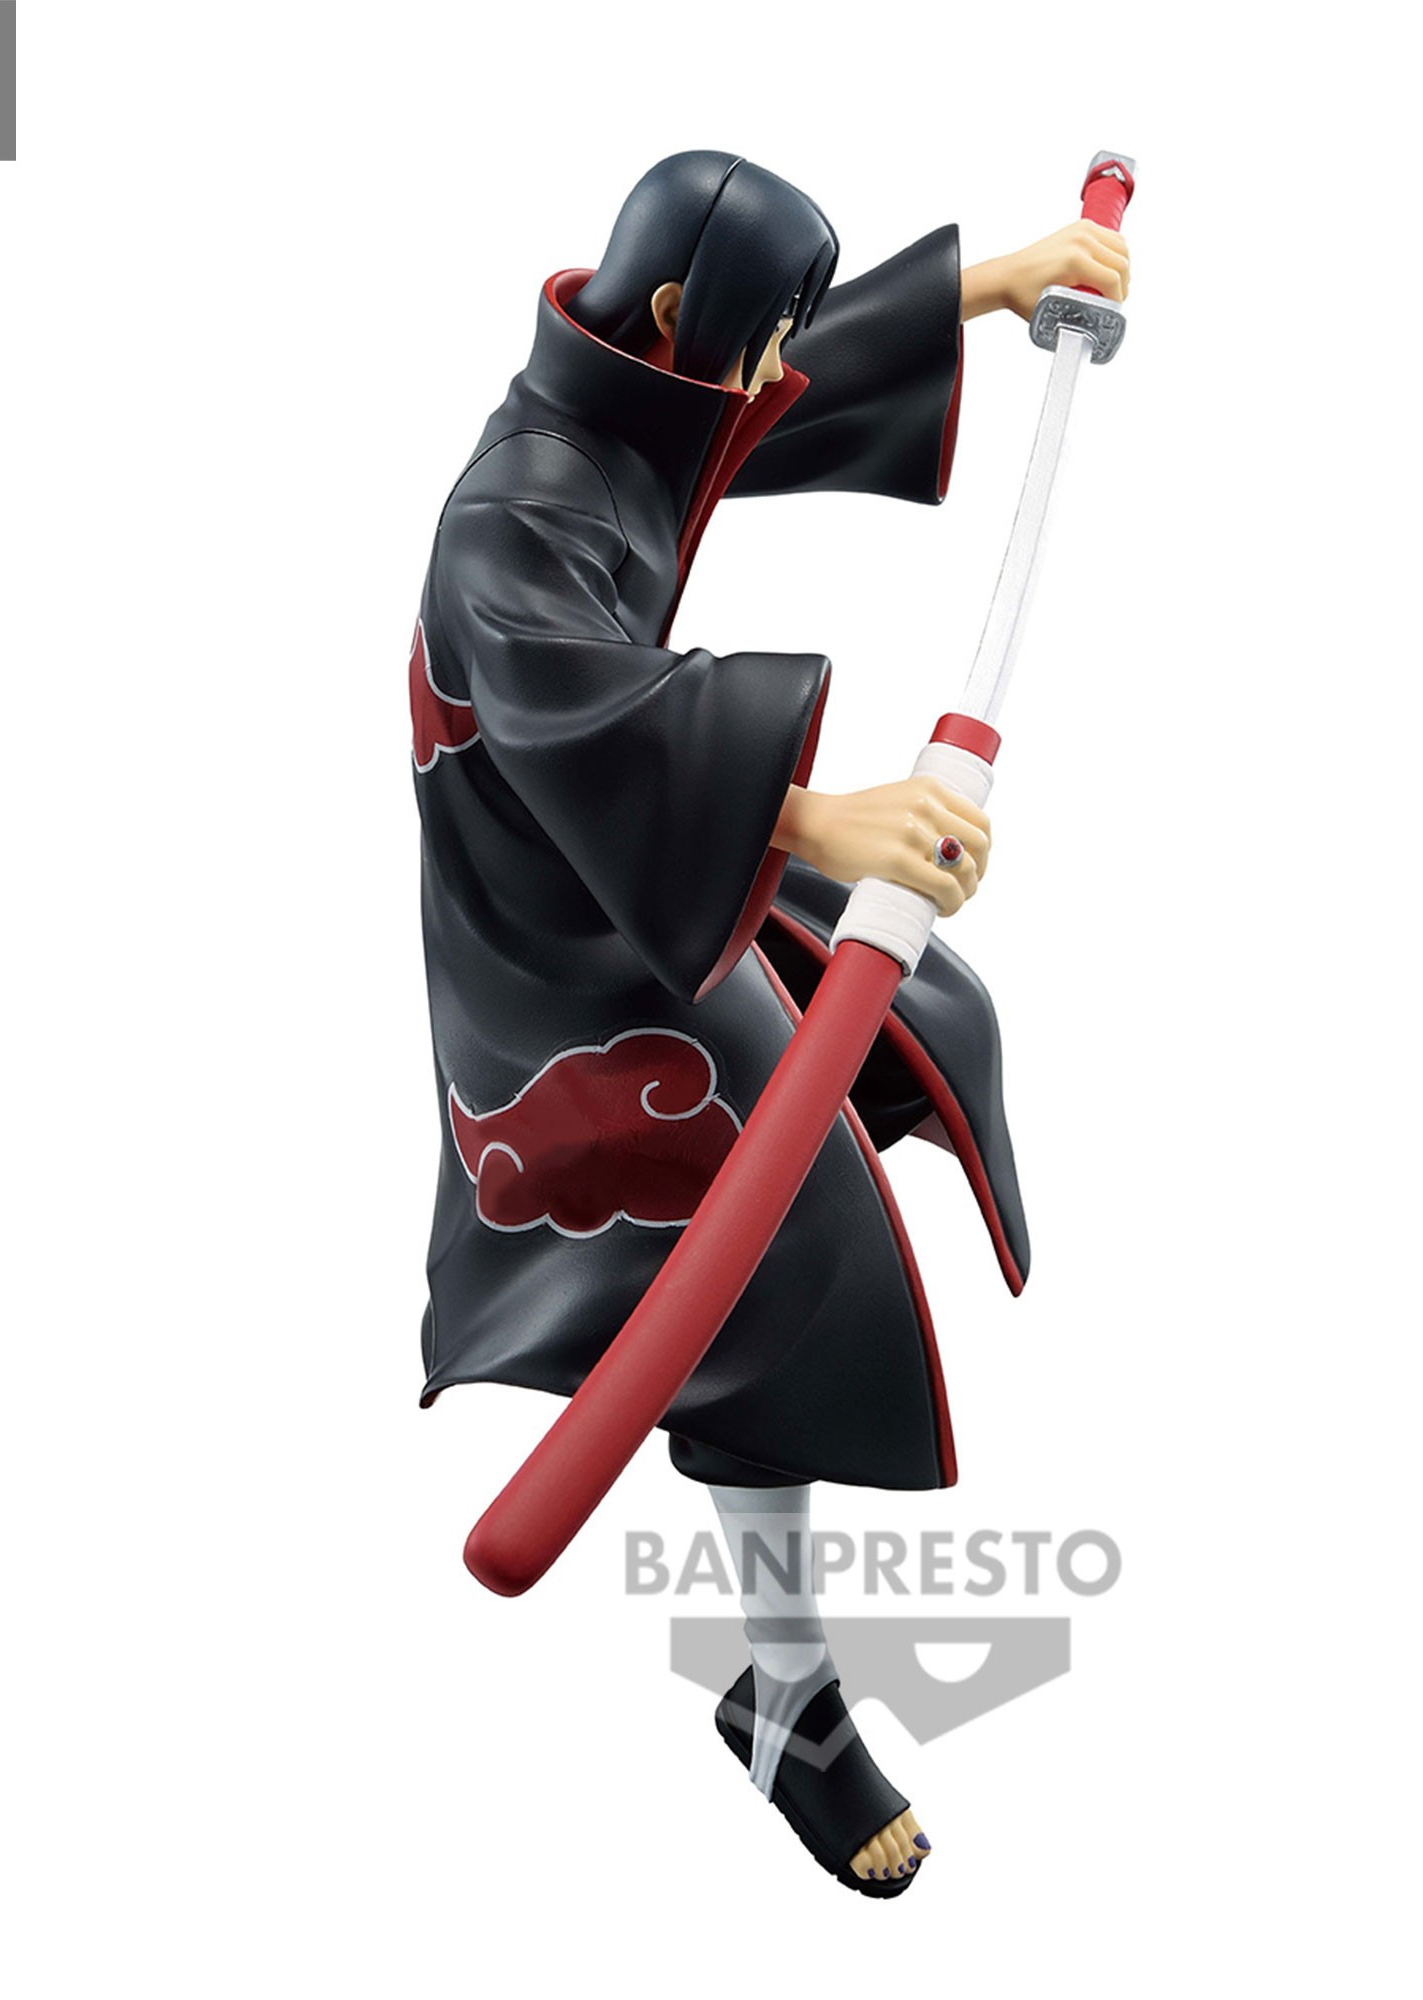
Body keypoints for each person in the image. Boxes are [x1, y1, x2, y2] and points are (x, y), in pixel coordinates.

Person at [406, 151, 1128, 1895]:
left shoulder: (634, 399)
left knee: (917, 1028)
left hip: (650, 868)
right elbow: (585, 718)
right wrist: (819, 820)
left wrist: (998, 279)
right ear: (678, 315)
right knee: (788, 1256)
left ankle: (776, 1631)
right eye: (750, 340)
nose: (765, 380)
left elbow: (771, 400)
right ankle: (788, 1698)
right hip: (564, 941)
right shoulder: (516, 513)